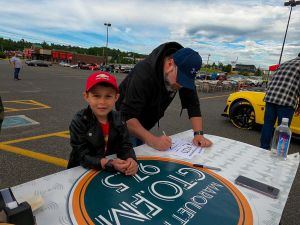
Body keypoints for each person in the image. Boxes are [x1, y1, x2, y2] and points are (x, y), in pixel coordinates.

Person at [116, 42, 212, 151]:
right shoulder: (144, 74)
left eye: (186, 81)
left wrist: (198, 134)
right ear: (170, 64)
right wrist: (153, 140)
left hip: (146, 121)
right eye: (180, 79)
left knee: (142, 147)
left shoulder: (182, 70)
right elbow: (126, 116)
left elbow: (193, 104)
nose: (181, 85)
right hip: (127, 121)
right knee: (130, 156)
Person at [68, 71, 138, 175]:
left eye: (108, 96)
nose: (102, 102)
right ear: (86, 96)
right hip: (82, 171)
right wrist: (108, 163)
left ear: (116, 97)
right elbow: (82, 155)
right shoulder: (79, 121)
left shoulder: (119, 118)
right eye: (96, 96)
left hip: (108, 170)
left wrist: (131, 159)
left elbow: (125, 145)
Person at [260, 53, 300, 149]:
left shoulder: (285, 63)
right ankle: (279, 152)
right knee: (283, 129)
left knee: (268, 124)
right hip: (286, 100)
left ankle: (263, 148)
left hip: (270, 97)